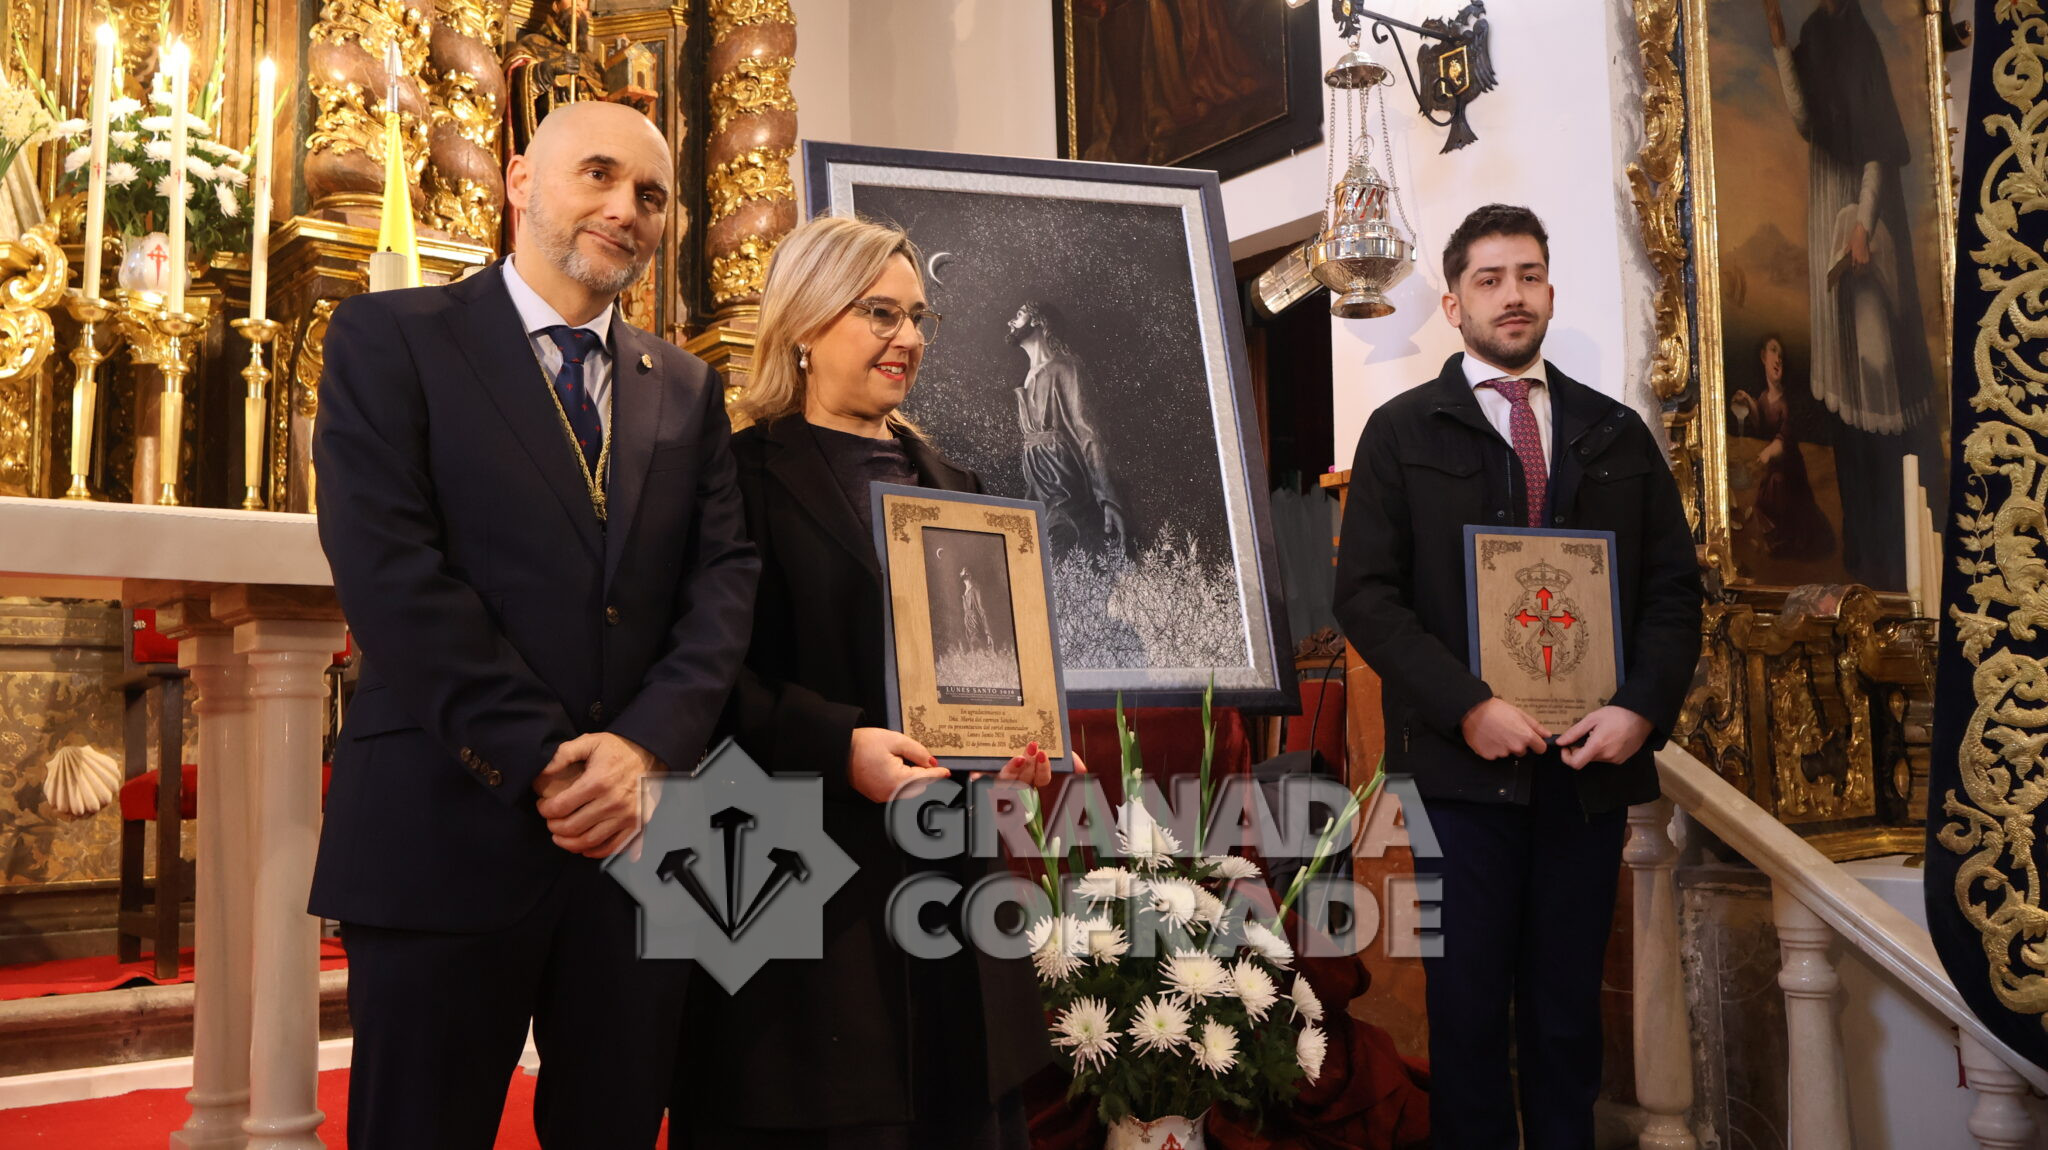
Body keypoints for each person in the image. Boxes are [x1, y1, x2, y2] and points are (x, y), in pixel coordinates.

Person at [310, 101, 757, 1148]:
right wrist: (547, 759)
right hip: (445, 817)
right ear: (519, 182)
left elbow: (724, 581)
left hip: (644, 834)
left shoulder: (686, 388)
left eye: (651, 194)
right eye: (598, 174)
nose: (626, 208)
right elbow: (388, 570)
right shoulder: (392, 338)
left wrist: (643, 747)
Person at [675, 215, 1059, 1150]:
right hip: (791, 885)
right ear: (806, 324)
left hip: (947, 877)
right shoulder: (733, 477)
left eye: (918, 316)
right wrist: (836, 745)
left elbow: (984, 675)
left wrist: (1008, 755)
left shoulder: (960, 485)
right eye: (880, 313)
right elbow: (696, 677)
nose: (909, 337)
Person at [1332, 204, 1702, 1148]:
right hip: (1461, 779)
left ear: (1550, 292)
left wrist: (1639, 711)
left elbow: (1673, 592)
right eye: (1490, 279)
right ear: (1455, 305)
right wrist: (1468, 707)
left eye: (1529, 276)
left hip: (1587, 774)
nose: (1513, 295)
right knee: (1465, 1018)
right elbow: (1366, 597)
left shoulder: (1616, 433)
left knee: (1567, 1019)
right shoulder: (1401, 432)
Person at [1764, 0, 1940, 589]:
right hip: (1826, 216)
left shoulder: (1860, 39)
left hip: (1860, 222)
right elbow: (1805, 121)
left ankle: (1897, 550)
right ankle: (1863, 551)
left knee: (1874, 363)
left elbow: (1877, 147)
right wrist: (1780, 43)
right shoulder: (1816, 31)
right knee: (1844, 373)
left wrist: (1863, 224)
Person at [1006, 300, 1131, 559]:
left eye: (1019, 315)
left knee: (1063, 543)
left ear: (1037, 320)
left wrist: (1108, 497)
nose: (1011, 321)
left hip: (1062, 477)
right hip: (1035, 480)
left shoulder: (1066, 367)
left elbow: (1089, 433)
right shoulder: (1026, 377)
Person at [1731, 333, 1835, 560]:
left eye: (1781, 355)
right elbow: (1760, 424)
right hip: (1775, 468)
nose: (1778, 359)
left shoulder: (1786, 402)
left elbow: (1784, 436)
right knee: (1763, 502)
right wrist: (1748, 401)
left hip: (1790, 467)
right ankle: (1778, 540)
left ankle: (1790, 542)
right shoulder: (1763, 397)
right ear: (1763, 357)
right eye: (1773, 351)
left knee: (1786, 500)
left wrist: (1769, 451)